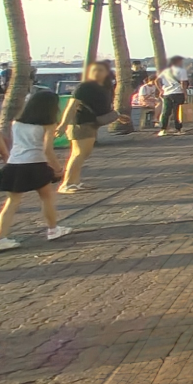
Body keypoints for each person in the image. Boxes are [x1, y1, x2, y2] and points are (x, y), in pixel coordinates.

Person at [0, 87, 71, 250]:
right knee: (46, 198)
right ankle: (53, 229)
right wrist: (58, 168)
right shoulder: (48, 124)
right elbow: (47, 150)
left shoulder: (17, 122)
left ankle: (1, 237)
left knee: (12, 201)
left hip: (15, 163)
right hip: (36, 163)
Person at [58, 60, 114, 194]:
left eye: (100, 70)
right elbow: (72, 106)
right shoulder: (84, 87)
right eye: (93, 70)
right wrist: (63, 124)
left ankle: (76, 182)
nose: (96, 73)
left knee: (84, 154)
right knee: (78, 154)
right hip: (80, 123)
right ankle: (67, 184)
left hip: (91, 123)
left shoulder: (105, 87)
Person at [156, 55, 190, 136]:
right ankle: (178, 129)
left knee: (166, 112)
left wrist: (161, 90)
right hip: (178, 93)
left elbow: (157, 80)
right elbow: (183, 83)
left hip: (167, 93)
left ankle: (163, 129)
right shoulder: (182, 71)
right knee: (177, 111)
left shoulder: (166, 71)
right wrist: (185, 93)